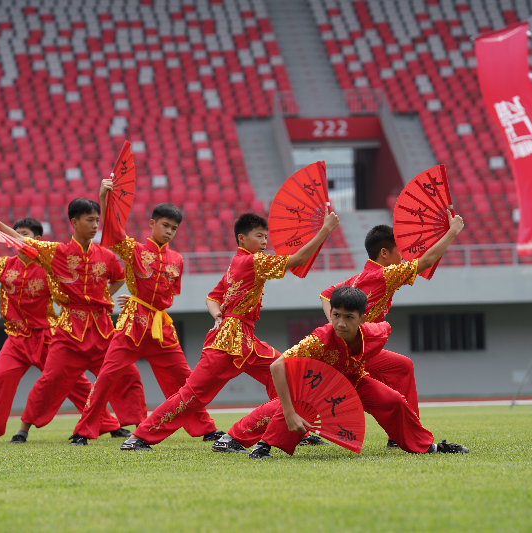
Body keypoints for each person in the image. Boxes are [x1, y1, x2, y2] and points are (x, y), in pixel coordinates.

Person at [120, 208, 340, 450]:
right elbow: (297, 260)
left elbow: (212, 298)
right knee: (192, 396)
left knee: (288, 376)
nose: (265, 242)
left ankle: (288, 428)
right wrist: (325, 229)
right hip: (226, 343)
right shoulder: (252, 261)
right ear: (242, 239)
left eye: (266, 237)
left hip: (246, 340)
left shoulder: (236, 263)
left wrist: (217, 316)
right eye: (259, 236)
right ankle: (139, 438)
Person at [0, 218, 126, 442]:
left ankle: (110, 425)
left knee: (74, 382)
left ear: (37, 240)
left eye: (23, 234)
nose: (15, 238)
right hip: (16, 338)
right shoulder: (4, 266)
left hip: (48, 335)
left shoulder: (51, 266)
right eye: (13, 234)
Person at [215, 286, 469, 458]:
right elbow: (276, 365)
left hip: (355, 379)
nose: (340, 323)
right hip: (317, 385)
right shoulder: (318, 340)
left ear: (362, 318)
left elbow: (379, 341)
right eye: (336, 315)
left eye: (348, 317)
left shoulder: (378, 332)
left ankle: (428, 446)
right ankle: (252, 443)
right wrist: (291, 412)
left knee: (393, 400)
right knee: (291, 409)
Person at [0, 198, 146, 444]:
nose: (95, 225)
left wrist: (104, 296)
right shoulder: (58, 252)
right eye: (90, 220)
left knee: (127, 373)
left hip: (102, 329)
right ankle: (23, 428)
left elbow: (119, 277)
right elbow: (24, 241)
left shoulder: (107, 256)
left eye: (97, 220)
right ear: (74, 222)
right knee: (52, 379)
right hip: (70, 329)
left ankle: (141, 428)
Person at [67, 180, 219, 445]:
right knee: (106, 376)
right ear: (152, 224)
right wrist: (104, 197)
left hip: (161, 328)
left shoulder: (178, 260)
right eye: (165, 225)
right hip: (131, 326)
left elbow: (168, 296)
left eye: (174, 228)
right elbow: (113, 232)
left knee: (184, 379)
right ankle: (83, 431)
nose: (169, 231)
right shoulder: (135, 249)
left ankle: (205, 428)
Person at [318, 211, 465, 447]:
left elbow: (325, 294)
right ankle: (402, 434)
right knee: (316, 396)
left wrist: (336, 326)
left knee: (402, 366)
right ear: (384, 253)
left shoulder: (357, 279)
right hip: (353, 353)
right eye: (400, 250)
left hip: (356, 348)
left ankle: (398, 436)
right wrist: (453, 231)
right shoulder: (385, 275)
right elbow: (426, 262)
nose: (403, 255)